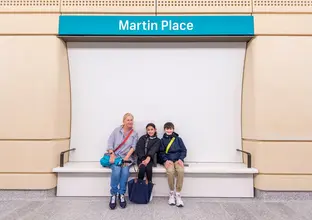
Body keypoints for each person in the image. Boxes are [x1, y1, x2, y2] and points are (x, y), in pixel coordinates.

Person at [106, 113, 138, 210]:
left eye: (131, 120)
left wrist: (127, 157)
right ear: (123, 121)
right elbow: (110, 143)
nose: (130, 122)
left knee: (125, 172)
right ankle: (114, 194)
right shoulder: (116, 131)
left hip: (126, 158)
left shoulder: (134, 133)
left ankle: (121, 194)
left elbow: (133, 147)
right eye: (128, 120)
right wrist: (112, 154)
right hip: (115, 157)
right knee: (116, 171)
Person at [159, 122, 187, 207]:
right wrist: (166, 160)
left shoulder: (179, 139)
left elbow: (184, 150)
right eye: (167, 128)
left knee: (181, 171)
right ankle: (171, 193)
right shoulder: (162, 140)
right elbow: (161, 152)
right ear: (164, 130)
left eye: (170, 128)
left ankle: (178, 194)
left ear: (173, 129)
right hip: (169, 160)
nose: (169, 130)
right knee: (170, 172)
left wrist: (181, 159)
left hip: (178, 160)